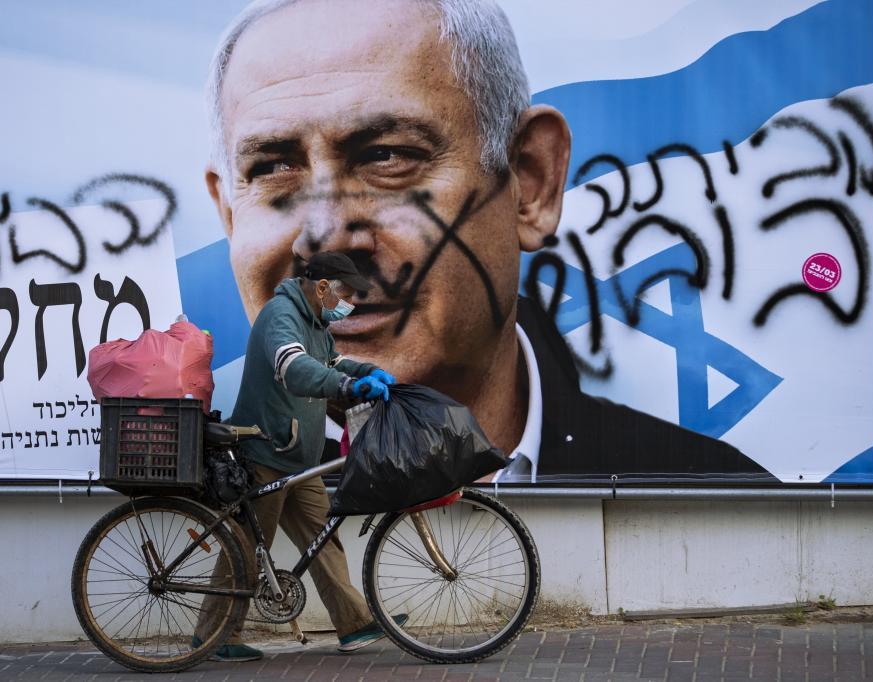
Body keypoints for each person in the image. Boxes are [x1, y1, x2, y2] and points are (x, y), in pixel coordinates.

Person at [204, 1, 774, 486]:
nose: (323, 236)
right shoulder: (197, 516)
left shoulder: (718, 509)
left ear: (530, 182)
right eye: (273, 167)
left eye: (387, 156)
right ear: (229, 213)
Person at [197, 251, 400, 662]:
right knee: (247, 548)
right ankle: (216, 637)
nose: (350, 303)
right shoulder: (280, 316)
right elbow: (294, 368)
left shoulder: (316, 323)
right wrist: (346, 386)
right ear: (321, 287)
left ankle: (355, 625)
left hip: (299, 460)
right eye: (344, 293)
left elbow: (330, 360)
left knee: (324, 539)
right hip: (266, 452)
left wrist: (365, 371)